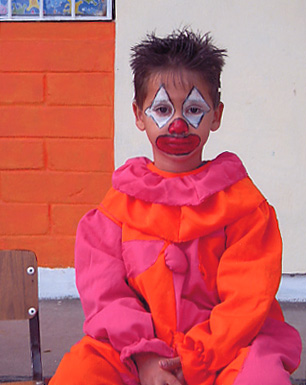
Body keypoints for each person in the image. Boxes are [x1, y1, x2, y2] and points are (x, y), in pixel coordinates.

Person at [50, 29, 301, 385]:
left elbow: (247, 301)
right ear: (139, 115)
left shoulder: (244, 208)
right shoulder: (114, 212)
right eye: (163, 109)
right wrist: (147, 357)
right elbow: (106, 297)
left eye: (194, 109)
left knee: (260, 375)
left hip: (228, 349)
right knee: (81, 373)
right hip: (133, 353)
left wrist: (195, 358)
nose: (178, 125)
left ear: (216, 116)